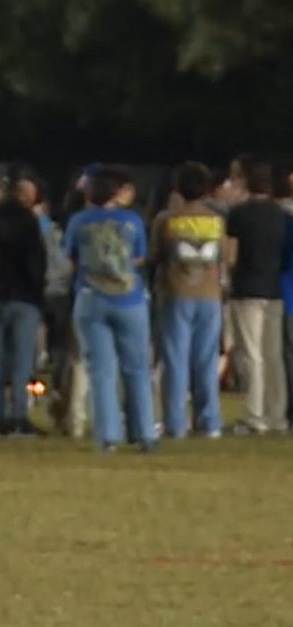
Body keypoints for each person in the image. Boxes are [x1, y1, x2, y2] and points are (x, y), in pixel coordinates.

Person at [64, 166, 157, 452]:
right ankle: (144, 433)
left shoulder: (78, 221)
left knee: (101, 370)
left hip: (92, 297)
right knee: (138, 368)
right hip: (130, 298)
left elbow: (70, 257)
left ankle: (108, 436)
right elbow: (140, 256)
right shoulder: (132, 220)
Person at [149, 162, 225, 439]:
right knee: (206, 360)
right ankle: (209, 422)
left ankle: (175, 423)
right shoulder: (216, 220)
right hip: (210, 295)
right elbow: (224, 258)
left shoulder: (167, 219)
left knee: (175, 359)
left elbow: (155, 255)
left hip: (176, 293)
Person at [0, 166, 47, 436]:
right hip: (24, 297)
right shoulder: (28, 222)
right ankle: (18, 414)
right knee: (21, 361)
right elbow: (36, 262)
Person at [225, 157, 288, 434]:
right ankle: (277, 415)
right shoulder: (283, 217)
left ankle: (255, 415)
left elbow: (230, 254)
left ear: (248, 184)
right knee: (273, 355)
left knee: (251, 355)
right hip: (274, 289)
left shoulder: (239, 214)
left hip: (247, 287)